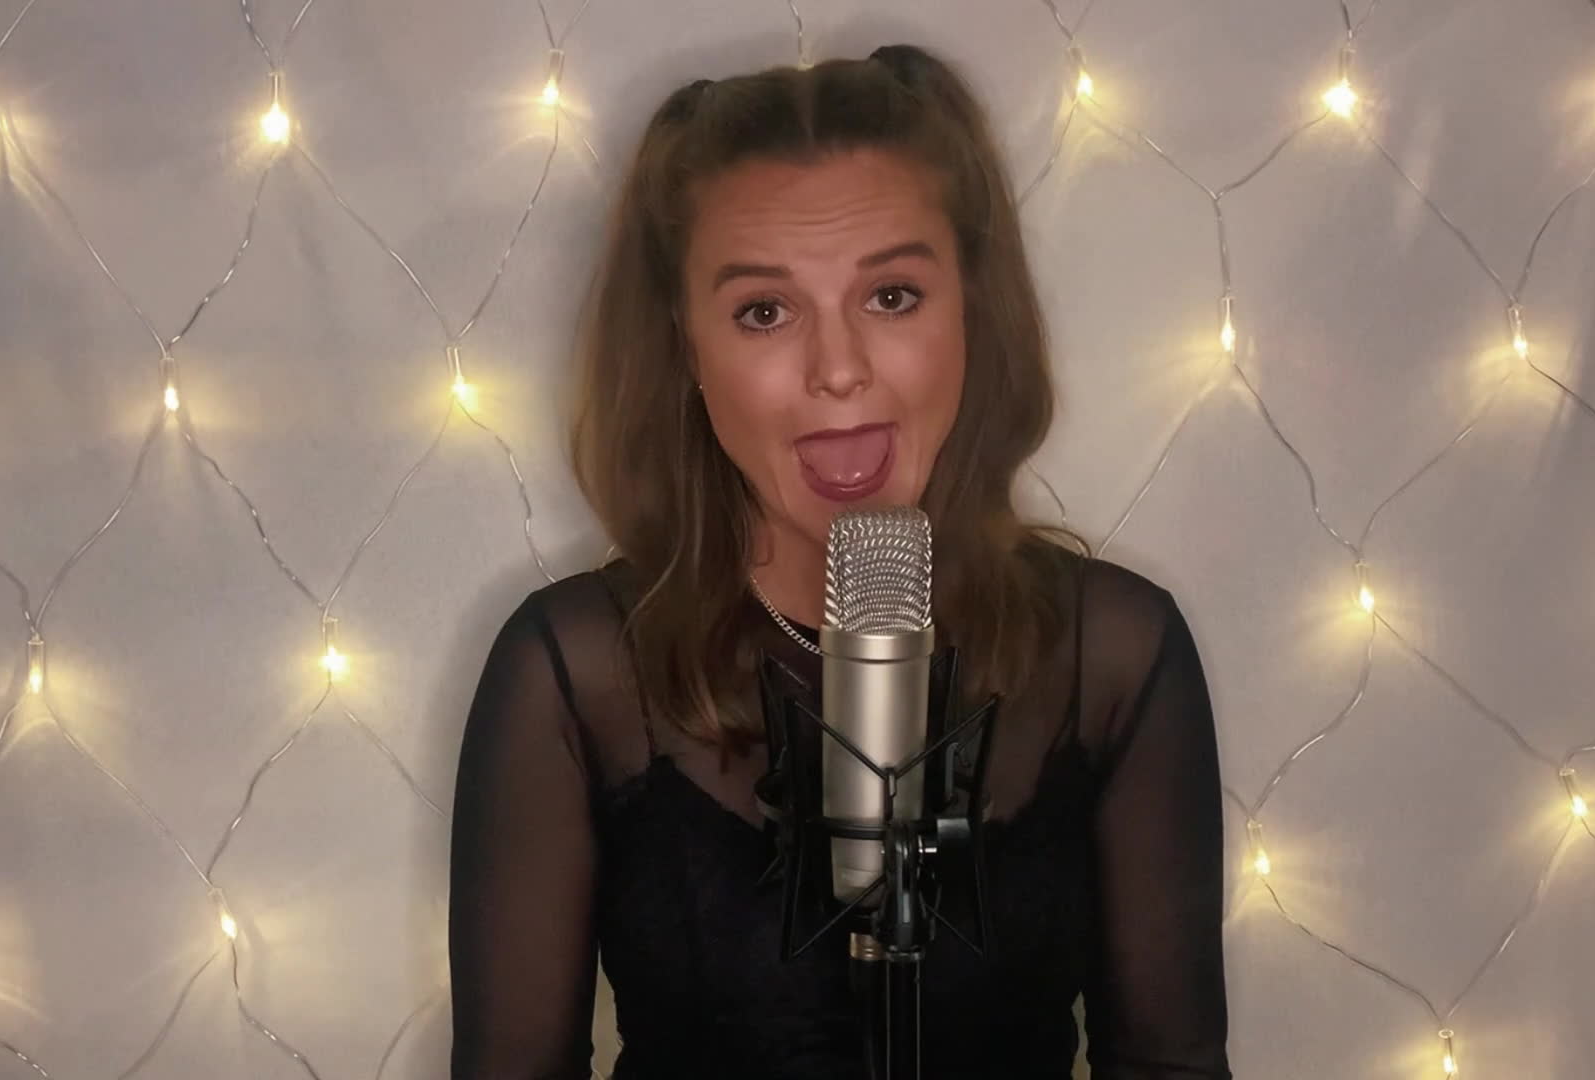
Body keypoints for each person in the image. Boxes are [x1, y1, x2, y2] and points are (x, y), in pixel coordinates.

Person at [448, 43, 1231, 1080]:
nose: (839, 370)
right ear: (686, 344)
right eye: (764, 312)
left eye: (892, 296)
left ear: (972, 309)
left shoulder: (1114, 657)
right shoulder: (575, 672)